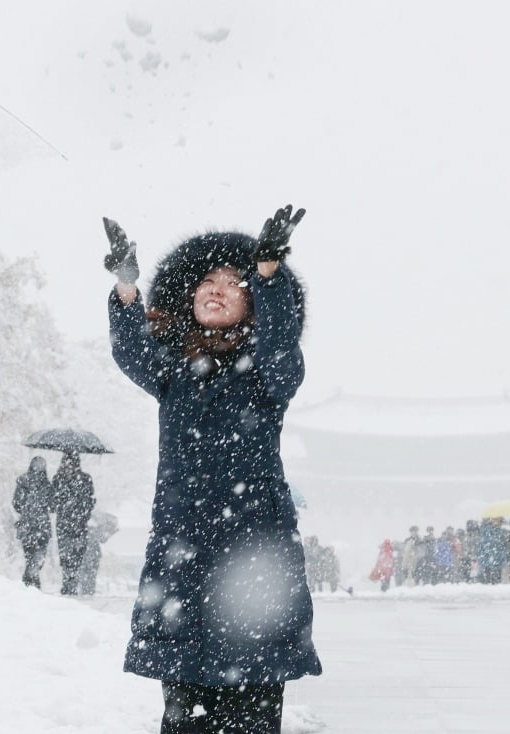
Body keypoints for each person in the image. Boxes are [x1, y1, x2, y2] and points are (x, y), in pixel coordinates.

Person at [103, 206, 321, 734]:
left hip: (254, 558)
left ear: (252, 303)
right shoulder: (174, 369)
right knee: (184, 714)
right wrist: (127, 290)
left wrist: (269, 276)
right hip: (184, 555)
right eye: (207, 280)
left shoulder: (270, 372)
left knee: (252, 713)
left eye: (233, 281)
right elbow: (132, 349)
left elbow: (279, 346)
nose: (216, 289)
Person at [52, 450, 96, 595]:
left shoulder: (85, 479)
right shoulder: (58, 479)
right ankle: (68, 582)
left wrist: (82, 509)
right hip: (66, 523)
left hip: (78, 524)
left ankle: (71, 581)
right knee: (66, 555)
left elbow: (90, 499)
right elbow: (54, 501)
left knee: (76, 554)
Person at [13, 457, 54, 587]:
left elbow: (16, 503)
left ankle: (30, 578)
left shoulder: (23, 481)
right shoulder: (47, 485)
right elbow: (52, 506)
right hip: (42, 525)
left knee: (29, 554)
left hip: (27, 524)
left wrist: (26, 510)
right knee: (39, 554)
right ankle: (32, 577)